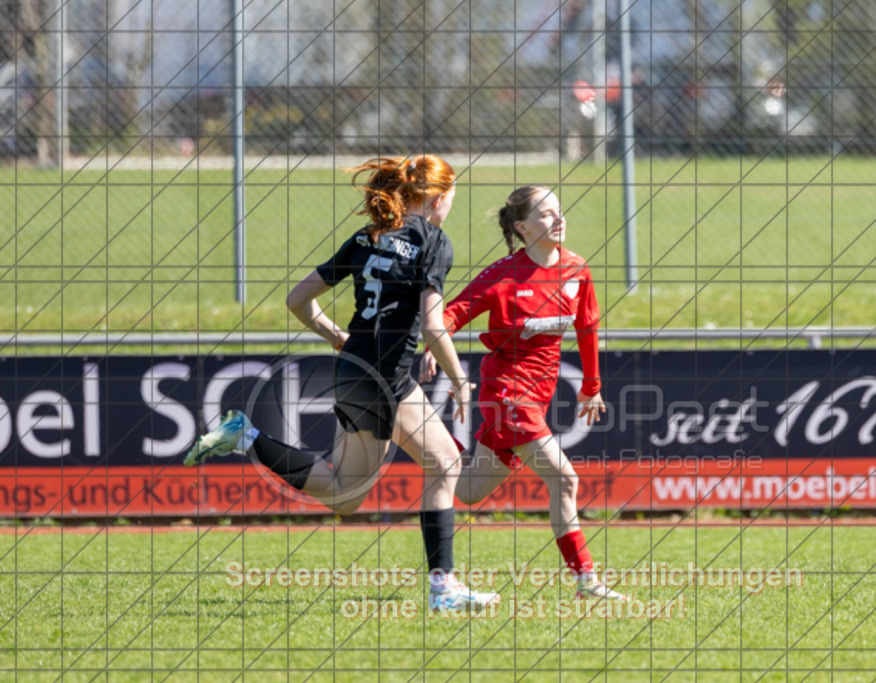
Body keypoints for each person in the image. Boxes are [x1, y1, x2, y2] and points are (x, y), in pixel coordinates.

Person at [184, 154, 498, 612]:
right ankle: (443, 589)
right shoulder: (433, 240)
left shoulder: (367, 236)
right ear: (440, 197)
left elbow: (298, 300)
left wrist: (337, 337)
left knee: (349, 494)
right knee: (443, 463)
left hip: (354, 368)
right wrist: (460, 380)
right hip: (384, 376)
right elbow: (433, 326)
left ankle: (246, 436)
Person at [421, 185, 626, 601]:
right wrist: (431, 347)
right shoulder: (502, 275)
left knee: (470, 491)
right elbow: (453, 312)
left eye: (559, 211)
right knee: (565, 480)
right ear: (522, 227)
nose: (559, 219)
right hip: (506, 393)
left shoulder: (575, 269)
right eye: (546, 214)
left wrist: (592, 388)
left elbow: (588, 328)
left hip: (540, 395)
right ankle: (587, 581)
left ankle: (433, 448)